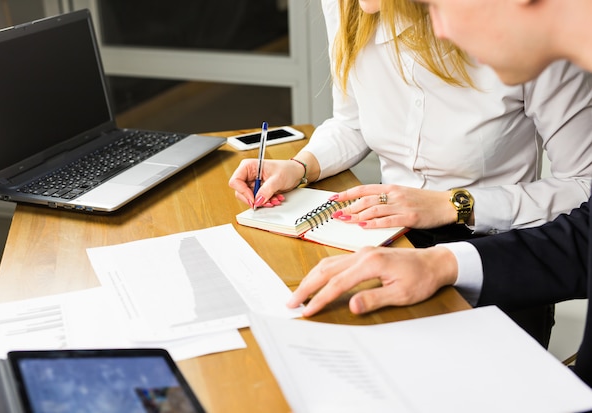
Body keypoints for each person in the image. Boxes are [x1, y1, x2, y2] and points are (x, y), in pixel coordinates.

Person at [229, 0, 592, 346]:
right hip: (387, 239)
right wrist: (299, 166)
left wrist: (454, 204)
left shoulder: (524, 28)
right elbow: (352, 122)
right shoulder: (348, 8)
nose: (441, 27)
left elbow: (583, 187)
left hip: (507, 250)